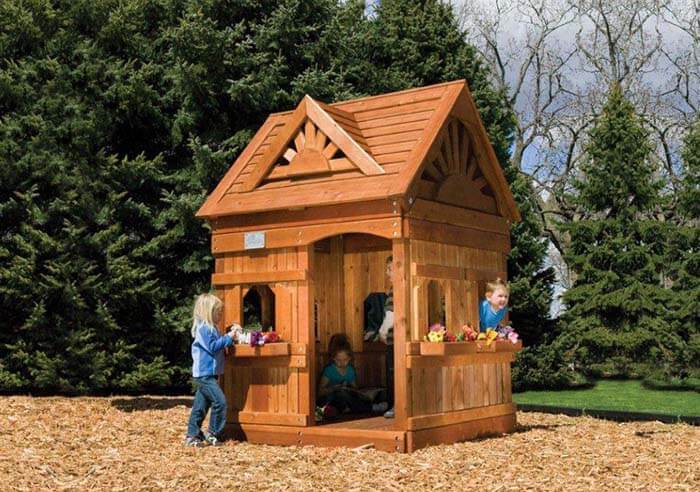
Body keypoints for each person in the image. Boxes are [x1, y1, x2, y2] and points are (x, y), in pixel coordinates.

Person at [184, 293, 241, 447]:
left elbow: (217, 345)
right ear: (208, 312)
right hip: (204, 375)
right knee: (220, 402)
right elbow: (213, 346)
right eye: (218, 312)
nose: (220, 315)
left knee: (200, 407)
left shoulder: (212, 328)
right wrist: (229, 337)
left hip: (210, 374)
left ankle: (192, 435)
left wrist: (229, 336)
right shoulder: (204, 328)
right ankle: (212, 433)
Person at [317, 334, 388, 419]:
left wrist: (359, 392)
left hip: (348, 400)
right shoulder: (329, 370)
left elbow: (355, 389)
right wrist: (334, 388)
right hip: (332, 401)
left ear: (350, 358)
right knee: (341, 394)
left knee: (351, 396)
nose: (342, 363)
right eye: (338, 360)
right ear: (333, 358)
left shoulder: (350, 370)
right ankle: (371, 407)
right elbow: (320, 392)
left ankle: (355, 407)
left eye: (345, 360)